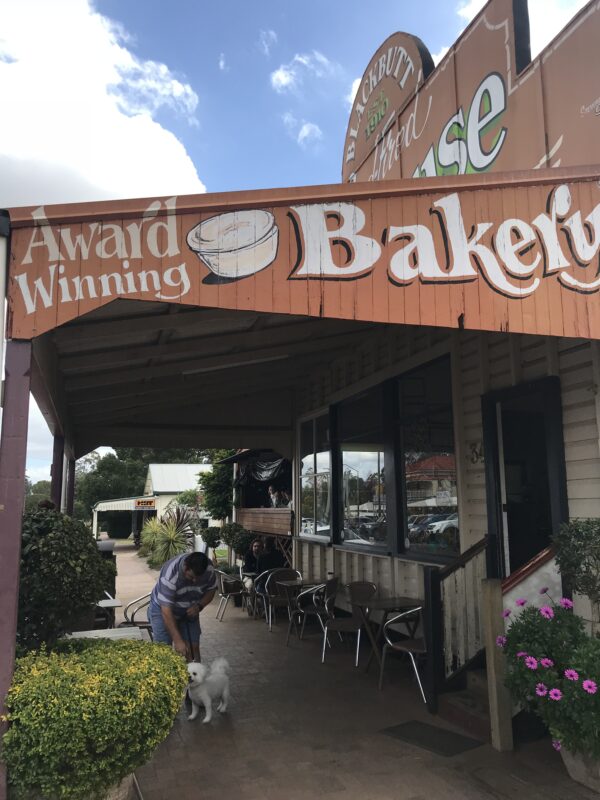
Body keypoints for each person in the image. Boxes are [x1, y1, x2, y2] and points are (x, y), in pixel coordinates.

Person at [148, 551, 217, 661]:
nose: (194, 581)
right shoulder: (170, 574)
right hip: (163, 611)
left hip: (189, 609)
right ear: (185, 567)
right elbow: (166, 611)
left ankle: (195, 677)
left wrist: (200, 606)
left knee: (192, 648)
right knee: (164, 650)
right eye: (191, 577)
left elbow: (211, 590)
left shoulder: (208, 569)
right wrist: (177, 640)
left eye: (198, 578)